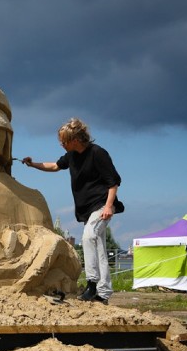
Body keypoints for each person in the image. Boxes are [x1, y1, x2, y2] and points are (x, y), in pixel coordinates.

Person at [21, 118, 124, 304]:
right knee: (98, 246)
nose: (62, 145)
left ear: (75, 139)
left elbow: (113, 181)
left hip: (101, 204)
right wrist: (33, 164)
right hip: (87, 209)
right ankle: (104, 293)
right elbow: (54, 166)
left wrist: (109, 206)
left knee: (89, 236)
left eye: (64, 141)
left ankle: (92, 284)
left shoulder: (98, 153)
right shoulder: (71, 156)